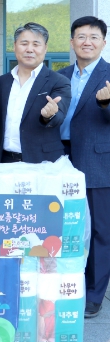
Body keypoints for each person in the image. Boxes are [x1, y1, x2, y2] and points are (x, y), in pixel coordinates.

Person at [58, 16, 110, 318]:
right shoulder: (61, 75)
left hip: (98, 162)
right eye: (81, 36)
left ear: (103, 42)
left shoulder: (108, 75)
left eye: (93, 37)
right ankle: (67, 285)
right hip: (61, 159)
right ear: (72, 42)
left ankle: (94, 294)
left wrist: (106, 103)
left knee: (100, 231)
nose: (86, 42)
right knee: (66, 227)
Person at [0, 23, 71, 163]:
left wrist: (50, 115)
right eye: (24, 43)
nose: (29, 49)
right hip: (3, 161)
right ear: (14, 46)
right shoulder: (1, 82)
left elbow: (58, 117)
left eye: (36, 44)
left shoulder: (59, 81)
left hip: (42, 162)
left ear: (45, 48)